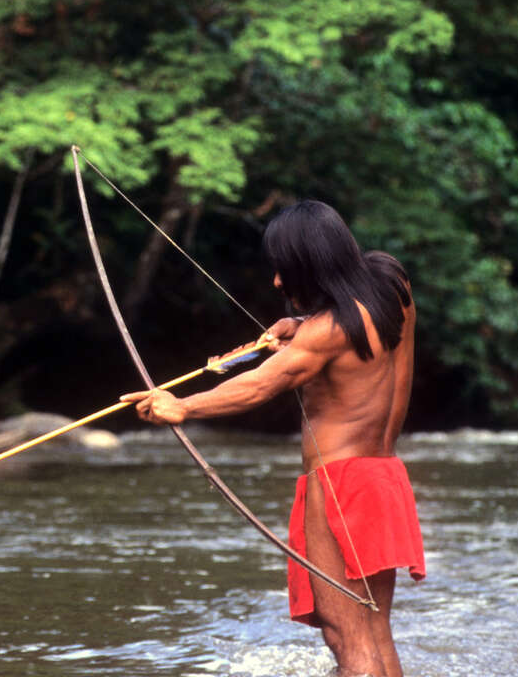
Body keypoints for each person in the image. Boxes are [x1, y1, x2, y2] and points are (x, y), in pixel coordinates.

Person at [120, 200, 424, 677]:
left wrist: (180, 406)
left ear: (311, 265)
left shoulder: (325, 333)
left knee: (347, 637)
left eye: (285, 270)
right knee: (373, 629)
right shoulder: (391, 285)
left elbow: (260, 384)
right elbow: (344, 327)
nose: (278, 283)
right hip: (383, 479)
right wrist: (300, 325)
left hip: (339, 486)